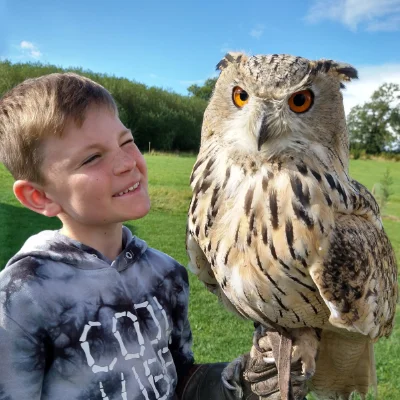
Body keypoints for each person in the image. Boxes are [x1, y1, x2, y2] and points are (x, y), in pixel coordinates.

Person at [0, 73, 301, 400]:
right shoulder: (22, 297)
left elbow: (178, 378)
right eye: (92, 157)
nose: (126, 163)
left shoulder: (166, 275)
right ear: (39, 196)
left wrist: (240, 383)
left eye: (126, 142)